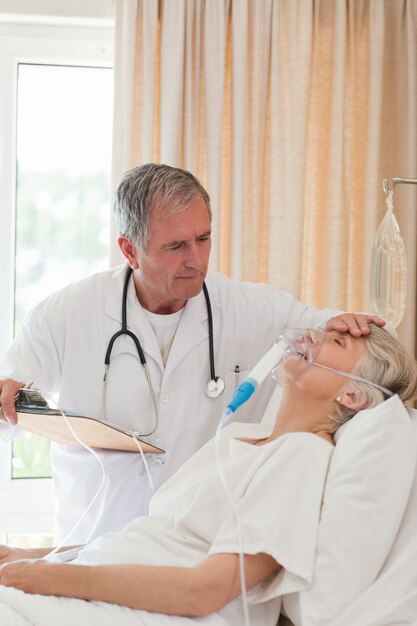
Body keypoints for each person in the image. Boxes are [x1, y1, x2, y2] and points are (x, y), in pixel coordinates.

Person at [0, 163, 384, 544]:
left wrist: (351, 324)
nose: (197, 260)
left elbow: (326, 327)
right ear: (130, 250)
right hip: (90, 548)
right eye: (176, 246)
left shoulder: (248, 308)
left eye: (203, 238)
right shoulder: (66, 314)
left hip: (195, 551)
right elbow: (8, 400)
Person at [0, 324, 416, 626]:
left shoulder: (301, 457)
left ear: (351, 394)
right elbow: (168, 537)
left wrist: (58, 577)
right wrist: (37, 556)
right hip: (101, 587)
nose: (311, 336)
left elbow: (205, 591)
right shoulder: (242, 438)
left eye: (336, 341)